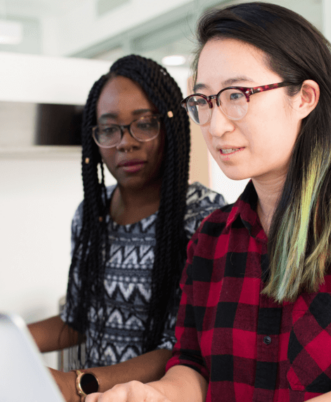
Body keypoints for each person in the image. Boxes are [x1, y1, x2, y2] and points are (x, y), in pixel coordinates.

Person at [87, 2, 331, 402]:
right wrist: (156, 395)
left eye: (237, 95)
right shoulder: (212, 236)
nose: (216, 125)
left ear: (304, 97)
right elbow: (193, 365)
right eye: (204, 101)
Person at [28, 54, 225, 402]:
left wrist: (77, 383)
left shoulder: (205, 218)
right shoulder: (91, 215)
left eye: (144, 123)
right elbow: (77, 320)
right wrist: (1, 342)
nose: (125, 142)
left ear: (170, 127)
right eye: (109, 129)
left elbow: (183, 349)